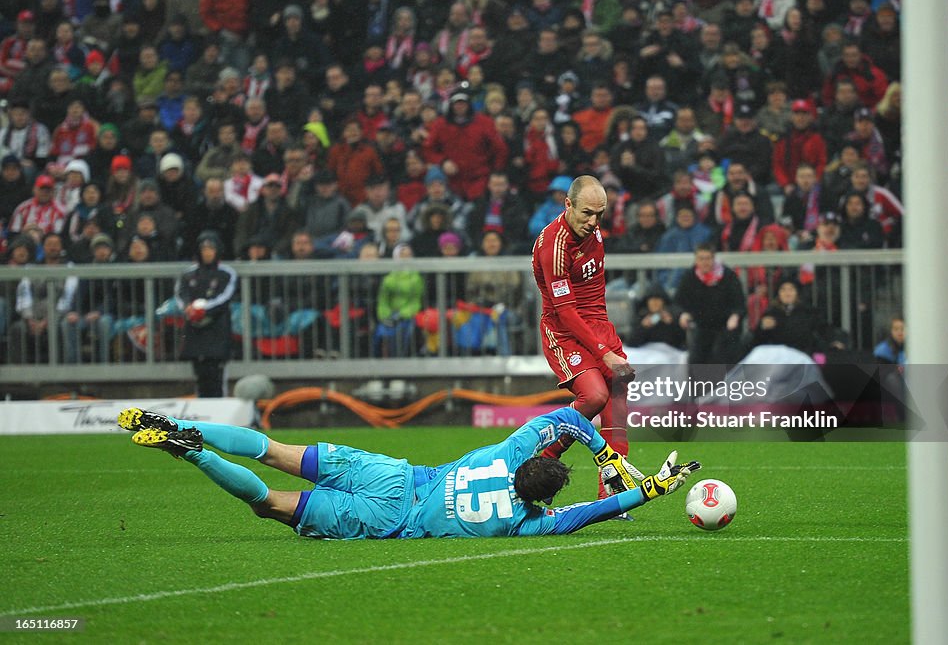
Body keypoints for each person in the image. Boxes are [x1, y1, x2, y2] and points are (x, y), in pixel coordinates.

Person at [117, 404, 699, 539]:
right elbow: (596, 511)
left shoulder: (502, 455)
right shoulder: (529, 525)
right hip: (391, 518)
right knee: (269, 501)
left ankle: (186, 427)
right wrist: (649, 492)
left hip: (393, 475)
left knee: (273, 448)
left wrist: (604, 453)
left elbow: (568, 414)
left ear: (531, 463)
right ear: (540, 502)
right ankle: (190, 453)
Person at [531, 175, 636, 499]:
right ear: (568, 205)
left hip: (596, 324)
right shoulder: (556, 247)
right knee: (594, 396)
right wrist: (604, 352)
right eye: (587, 213)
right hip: (564, 330)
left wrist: (605, 343)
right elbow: (566, 312)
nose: (593, 222)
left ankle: (613, 491)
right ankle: (545, 459)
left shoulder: (591, 228)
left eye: (600, 215)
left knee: (618, 388)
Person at [176, 231, 237, 397]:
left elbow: (225, 297)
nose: (207, 252)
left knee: (217, 373)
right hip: (195, 330)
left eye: (211, 248)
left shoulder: (226, 273)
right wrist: (188, 308)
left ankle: (220, 411)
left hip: (217, 328)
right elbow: (180, 294)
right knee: (199, 373)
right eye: (204, 249)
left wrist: (204, 309)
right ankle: (203, 412)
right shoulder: (188, 274)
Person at [674, 243, 745, 367]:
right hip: (700, 325)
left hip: (725, 326)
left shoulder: (728, 276)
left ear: (713, 258)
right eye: (701, 259)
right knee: (696, 357)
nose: (705, 262)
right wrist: (683, 314)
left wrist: (735, 316)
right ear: (696, 260)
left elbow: (739, 303)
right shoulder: (690, 277)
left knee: (722, 354)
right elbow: (679, 302)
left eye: (708, 258)